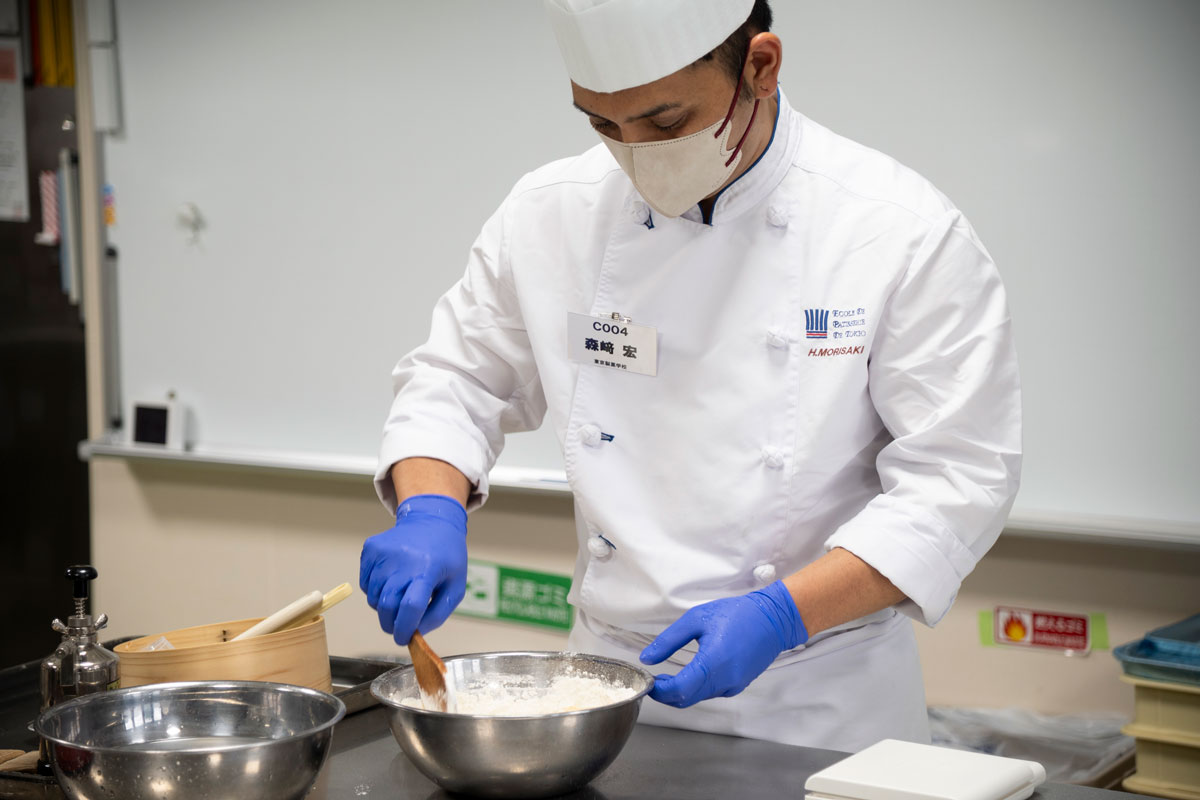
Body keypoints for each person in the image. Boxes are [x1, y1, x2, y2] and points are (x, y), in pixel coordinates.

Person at [359, 0, 1020, 752]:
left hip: (816, 697)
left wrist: (783, 614)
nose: (637, 156)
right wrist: (429, 512)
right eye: (604, 127)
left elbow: (959, 479)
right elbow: (459, 380)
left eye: (666, 123)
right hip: (604, 690)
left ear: (760, 67)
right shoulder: (551, 213)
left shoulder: (894, 230)